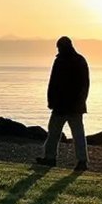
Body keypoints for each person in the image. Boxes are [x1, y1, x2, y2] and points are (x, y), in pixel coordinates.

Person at [36, 36, 90, 170]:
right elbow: (85, 84)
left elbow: (53, 83)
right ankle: (81, 161)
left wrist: (51, 101)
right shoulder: (80, 60)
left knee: (54, 132)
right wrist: (81, 101)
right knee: (77, 134)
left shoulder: (60, 61)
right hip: (73, 106)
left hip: (61, 105)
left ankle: (50, 158)